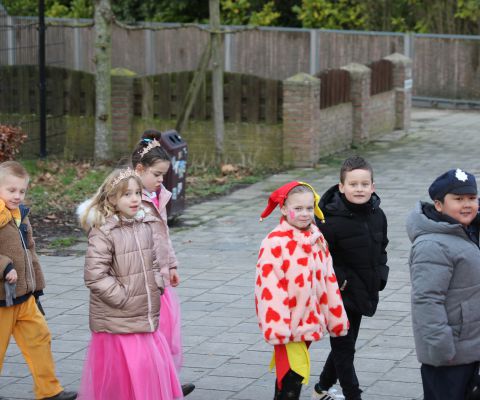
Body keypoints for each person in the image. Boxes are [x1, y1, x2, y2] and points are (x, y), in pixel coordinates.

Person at [77, 168, 183, 400]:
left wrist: (156, 283)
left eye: (137, 193)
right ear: (112, 198)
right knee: (125, 374)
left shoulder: (143, 224)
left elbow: (152, 260)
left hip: (142, 315)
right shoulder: (104, 231)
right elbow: (95, 275)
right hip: (118, 319)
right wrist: (123, 297)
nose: (135, 199)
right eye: (127, 194)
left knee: (147, 369)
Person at [255, 181, 349, 400]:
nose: (305, 213)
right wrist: (279, 327)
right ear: (283, 209)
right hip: (288, 323)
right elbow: (269, 289)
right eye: (298, 208)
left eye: (309, 207)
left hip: (308, 320)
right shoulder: (274, 243)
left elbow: (328, 280)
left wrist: (335, 317)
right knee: (294, 372)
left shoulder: (316, 237)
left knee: (289, 374)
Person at [312, 156, 389, 400]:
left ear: (373, 186)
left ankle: (321, 388)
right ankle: (353, 395)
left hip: (365, 288)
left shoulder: (378, 215)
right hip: (339, 293)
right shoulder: (329, 220)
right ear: (341, 186)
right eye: (353, 184)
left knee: (346, 343)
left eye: (364, 184)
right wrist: (342, 280)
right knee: (344, 347)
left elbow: (382, 247)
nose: (359, 189)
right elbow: (322, 257)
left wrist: (381, 274)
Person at [0, 161, 76, 400]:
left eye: (22, 191)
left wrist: (37, 288)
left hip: (24, 297)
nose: (17, 195)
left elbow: (30, 252)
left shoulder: (21, 215)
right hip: (2, 300)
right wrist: (4, 266)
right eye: (11, 190)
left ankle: (49, 390)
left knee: (39, 338)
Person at [130, 129, 194, 397]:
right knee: (148, 335)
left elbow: (163, 235)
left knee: (165, 332)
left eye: (163, 175)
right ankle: (150, 382)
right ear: (139, 170)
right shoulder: (131, 201)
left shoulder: (159, 196)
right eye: (156, 175)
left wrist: (172, 265)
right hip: (142, 279)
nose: (160, 180)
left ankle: (167, 380)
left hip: (162, 277)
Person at [406, 168, 480, 400]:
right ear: (438, 205)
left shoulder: (468, 232)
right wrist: (441, 348)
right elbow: (426, 300)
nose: (466, 205)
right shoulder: (432, 245)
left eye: (471, 198)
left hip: (470, 347)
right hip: (449, 355)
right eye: (458, 199)